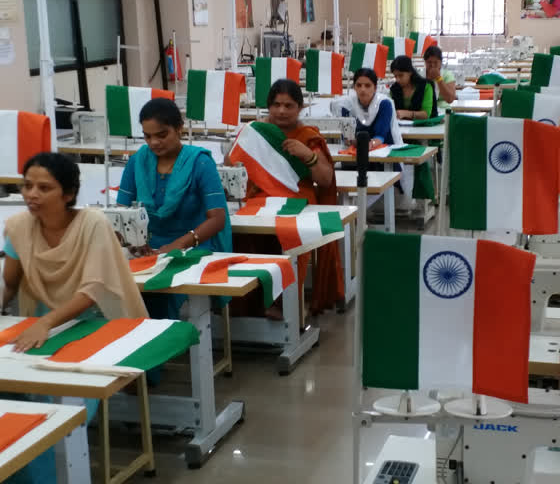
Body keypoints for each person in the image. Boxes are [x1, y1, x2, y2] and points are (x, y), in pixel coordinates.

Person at [3, 152, 148, 484]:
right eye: (27, 186)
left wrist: (46, 323)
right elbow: (10, 283)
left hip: (94, 325)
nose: (31, 195)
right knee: (11, 395)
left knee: (58, 406)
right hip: (39, 323)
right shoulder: (20, 227)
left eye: (44, 187)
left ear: (67, 194)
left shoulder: (92, 224)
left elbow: (93, 288)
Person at [232, 79, 342, 312]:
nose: (281, 111)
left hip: (297, 200)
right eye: (276, 104)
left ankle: (285, 305)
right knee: (239, 232)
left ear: (300, 108)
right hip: (259, 199)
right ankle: (245, 302)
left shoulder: (307, 136)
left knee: (291, 234)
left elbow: (324, 179)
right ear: (268, 106)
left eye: (289, 105)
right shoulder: (256, 132)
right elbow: (230, 164)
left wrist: (307, 156)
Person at [117, 97, 231, 319]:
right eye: (147, 136)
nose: (154, 143)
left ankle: (162, 338)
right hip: (150, 246)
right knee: (117, 281)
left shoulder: (200, 163)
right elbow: (121, 213)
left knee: (159, 285)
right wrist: (130, 242)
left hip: (192, 244)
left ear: (179, 129)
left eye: (161, 135)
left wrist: (178, 245)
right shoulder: (137, 162)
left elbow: (217, 219)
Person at [330, 68, 403, 148]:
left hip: (383, 150)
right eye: (359, 85)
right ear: (354, 87)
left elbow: (380, 136)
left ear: (375, 88)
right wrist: (352, 142)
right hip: (356, 150)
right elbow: (347, 137)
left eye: (367, 86)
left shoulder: (383, 103)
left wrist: (369, 145)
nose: (363, 89)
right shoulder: (347, 104)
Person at [390, 55, 438, 120]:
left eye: (401, 75)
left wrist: (406, 113)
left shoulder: (425, 86)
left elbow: (426, 114)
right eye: (395, 76)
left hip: (425, 127)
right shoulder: (394, 89)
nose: (397, 79)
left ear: (410, 72)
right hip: (402, 127)